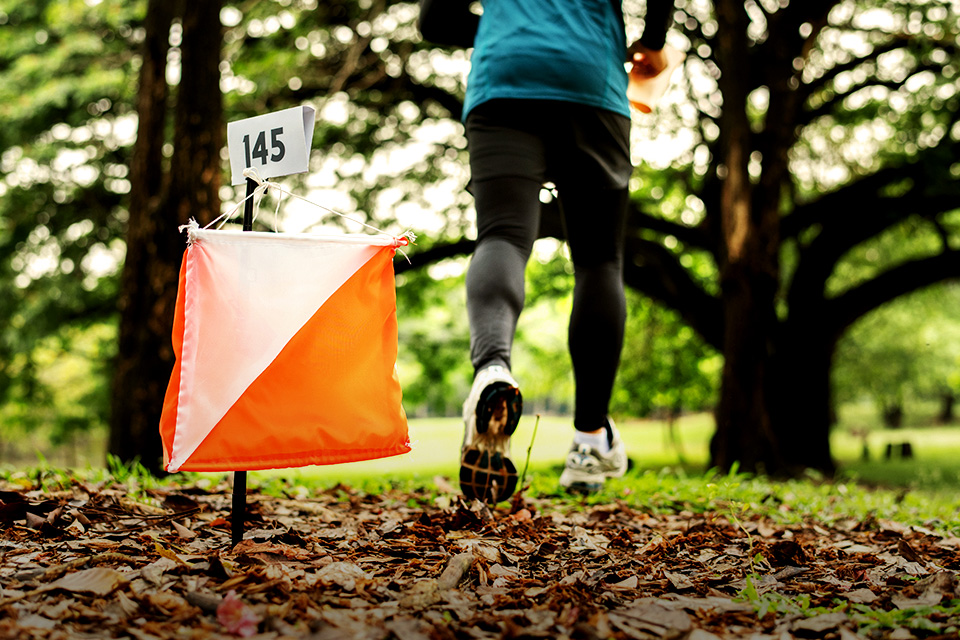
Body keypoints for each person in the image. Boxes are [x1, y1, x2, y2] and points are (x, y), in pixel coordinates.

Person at [420, 0, 676, 503]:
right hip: (591, 81)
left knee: (502, 236)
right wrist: (652, 41)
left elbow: (435, 20)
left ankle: (492, 368)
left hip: (504, 80)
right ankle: (588, 441)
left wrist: (505, 27)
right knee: (600, 259)